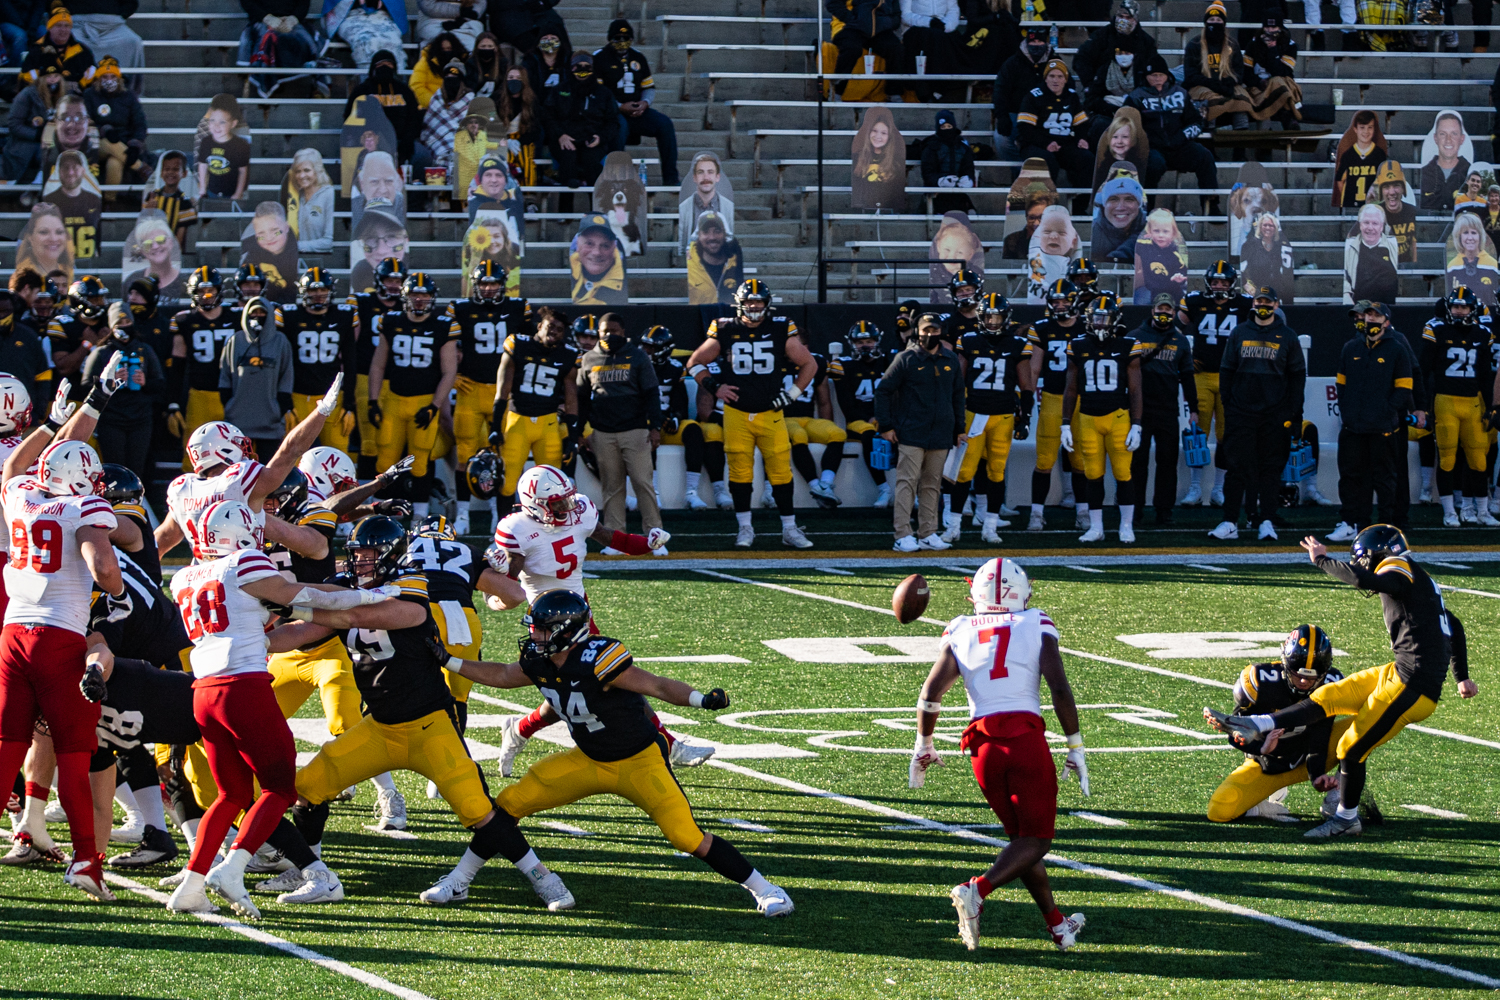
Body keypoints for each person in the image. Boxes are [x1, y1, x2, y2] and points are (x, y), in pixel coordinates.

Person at [437, 588, 789, 914]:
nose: (535, 636)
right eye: (535, 628)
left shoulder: (598, 658)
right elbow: (501, 675)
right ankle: (459, 880)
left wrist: (699, 699)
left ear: (567, 631)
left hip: (638, 761)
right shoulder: (538, 659)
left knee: (686, 836)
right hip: (589, 759)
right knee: (508, 805)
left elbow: (656, 684)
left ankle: (767, 890)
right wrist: (448, 661)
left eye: (543, 630)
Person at [1212, 526, 1476, 839]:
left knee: (1350, 747)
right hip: (1401, 670)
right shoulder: (1423, 580)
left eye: (1364, 560)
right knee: (1329, 695)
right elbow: (1454, 625)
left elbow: (1367, 579)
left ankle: (1346, 819)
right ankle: (1259, 723)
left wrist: (1323, 561)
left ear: (1378, 553)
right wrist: (1462, 676)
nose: (1363, 565)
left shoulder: (1398, 566)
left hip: (1411, 684)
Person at [910, 558, 1088, 952]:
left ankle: (1057, 925)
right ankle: (977, 890)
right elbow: (1059, 688)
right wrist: (1074, 744)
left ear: (971, 592)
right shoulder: (1036, 622)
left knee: (1020, 842)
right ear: (1026, 591)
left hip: (982, 747)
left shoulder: (959, 628)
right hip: (1024, 740)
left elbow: (930, 694)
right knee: (1037, 840)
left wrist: (924, 742)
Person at [684, 281, 817, 549]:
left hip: (771, 411)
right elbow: (694, 363)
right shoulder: (725, 328)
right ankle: (745, 528)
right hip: (736, 412)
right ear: (739, 303)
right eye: (749, 302)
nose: (754, 307)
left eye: (758, 302)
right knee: (739, 472)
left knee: (780, 471)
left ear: (767, 303)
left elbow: (809, 364)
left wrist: (791, 394)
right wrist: (714, 387)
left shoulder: (781, 327)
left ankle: (789, 529)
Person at [1204, 625, 1348, 822]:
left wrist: (1317, 776)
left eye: (1311, 676)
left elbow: (1320, 736)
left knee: (1364, 725)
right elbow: (1236, 732)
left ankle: (1339, 797)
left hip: (1308, 757)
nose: (1304, 682)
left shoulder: (1332, 684)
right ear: (1285, 663)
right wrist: (1261, 747)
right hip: (1268, 762)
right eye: (1298, 675)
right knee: (1220, 810)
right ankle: (1259, 804)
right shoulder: (1261, 682)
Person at [1209, 287, 1305, 542]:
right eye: (1259, 301)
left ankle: (1266, 522)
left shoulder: (1288, 336)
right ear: (1253, 304)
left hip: (1274, 415)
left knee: (1271, 471)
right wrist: (1230, 405)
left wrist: (1292, 412)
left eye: (1268, 301)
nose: (1263, 305)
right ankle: (1230, 522)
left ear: (1276, 304)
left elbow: (1297, 377)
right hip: (1242, 413)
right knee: (1237, 469)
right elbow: (1227, 370)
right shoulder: (1239, 332)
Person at [368, 272, 459, 520]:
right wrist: (373, 400)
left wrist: (434, 406)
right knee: (385, 458)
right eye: (414, 294)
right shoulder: (391, 321)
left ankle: (419, 516)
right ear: (406, 296)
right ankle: (380, 513)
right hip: (394, 400)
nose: (419, 299)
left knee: (419, 460)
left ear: (432, 297)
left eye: (424, 294)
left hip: (424, 401)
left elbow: (449, 371)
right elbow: (377, 365)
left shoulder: (443, 325)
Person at [948, 294, 1034, 545]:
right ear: (981, 317)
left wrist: (1025, 417)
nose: (993, 322)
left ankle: (990, 526)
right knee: (963, 472)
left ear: (1006, 318)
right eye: (988, 316)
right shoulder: (969, 340)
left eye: (997, 317)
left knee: (996, 471)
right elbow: (957, 381)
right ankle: (954, 526)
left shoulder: (1017, 344)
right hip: (973, 413)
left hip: (1003, 415)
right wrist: (956, 416)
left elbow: (1026, 385)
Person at [447, 261, 526, 534]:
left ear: (503, 285)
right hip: (470, 390)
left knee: (502, 455)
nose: (489, 289)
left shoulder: (518, 308)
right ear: (476, 285)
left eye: (493, 284)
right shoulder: (460, 309)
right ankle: (463, 515)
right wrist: (451, 375)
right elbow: (443, 345)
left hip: (503, 393)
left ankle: (499, 514)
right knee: (464, 454)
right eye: (484, 284)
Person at [876, 312, 965, 552]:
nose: (929, 335)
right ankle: (902, 534)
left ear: (941, 331)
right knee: (907, 482)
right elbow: (883, 391)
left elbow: (957, 396)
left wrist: (960, 429)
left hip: (941, 432)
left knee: (933, 484)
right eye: (925, 330)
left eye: (934, 330)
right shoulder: (905, 359)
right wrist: (885, 426)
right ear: (918, 331)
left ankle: (928, 532)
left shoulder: (951, 359)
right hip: (912, 430)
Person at [575, 313, 664, 547]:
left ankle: (655, 536)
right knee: (611, 488)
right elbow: (582, 398)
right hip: (603, 432)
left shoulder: (638, 356)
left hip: (634, 430)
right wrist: (579, 430)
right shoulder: (589, 358)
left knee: (642, 484)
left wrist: (655, 426)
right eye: (604, 331)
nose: (607, 335)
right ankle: (616, 540)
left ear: (622, 332)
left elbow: (652, 393)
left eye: (613, 331)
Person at [1060, 292, 1142, 544]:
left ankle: (1126, 526)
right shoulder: (1078, 345)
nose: (1099, 323)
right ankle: (1096, 527)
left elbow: (1136, 389)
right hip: (1087, 417)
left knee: (1122, 473)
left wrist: (1137, 425)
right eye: (1096, 318)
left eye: (1104, 319)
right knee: (1092, 474)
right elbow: (1071, 388)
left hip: (1118, 416)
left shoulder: (1128, 345)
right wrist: (1065, 423)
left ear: (1115, 320)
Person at [1420, 289, 1497, 527]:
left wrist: (1491, 406)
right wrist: (1425, 405)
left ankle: (1482, 511)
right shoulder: (1437, 329)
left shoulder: (1483, 333)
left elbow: (1485, 375)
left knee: (1478, 459)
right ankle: (1450, 512)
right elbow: (1425, 370)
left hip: (1473, 402)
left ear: (1472, 309)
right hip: (1445, 401)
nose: (1459, 311)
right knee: (1447, 460)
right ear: (1448, 308)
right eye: (1455, 306)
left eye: (1464, 307)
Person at [1179, 261, 1251, 507]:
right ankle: (1195, 488)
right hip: (1200, 375)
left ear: (1232, 284)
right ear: (1208, 282)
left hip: (1230, 377)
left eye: (1224, 282)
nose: (1219, 286)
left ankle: (1219, 489)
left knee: (1225, 435)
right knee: (1198, 434)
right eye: (1216, 281)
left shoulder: (1244, 304)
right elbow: (1178, 320)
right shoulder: (1195, 301)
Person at [493, 306, 577, 507]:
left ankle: (549, 532)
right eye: (551, 326)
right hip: (518, 420)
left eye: (559, 329)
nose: (554, 331)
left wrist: (572, 438)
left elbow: (572, 399)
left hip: (547, 424)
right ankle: (502, 531)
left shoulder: (568, 355)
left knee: (553, 484)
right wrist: (496, 425)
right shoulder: (518, 345)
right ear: (539, 326)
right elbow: (502, 389)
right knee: (508, 481)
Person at [1130, 293, 1198, 525]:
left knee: (1167, 461)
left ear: (1173, 312)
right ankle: (1135, 509)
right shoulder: (1134, 337)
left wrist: (1194, 409)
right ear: (1152, 310)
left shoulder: (1181, 341)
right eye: (1160, 309)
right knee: (1137, 462)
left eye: (1169, 310)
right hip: (1139, 411)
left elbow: (1188, 377)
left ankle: (1164, 510)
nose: (1164, 313)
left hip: (1168, 409)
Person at [78, 301, 163, 485]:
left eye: (126, 321)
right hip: (111, 418)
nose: (124, 326)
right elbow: (84, 385)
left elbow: (161, 384)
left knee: (137, 468)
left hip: (140, 419)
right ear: (111, 326)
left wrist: (144, 382)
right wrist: (107, 380)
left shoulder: (145, 349)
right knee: (114, 467)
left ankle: (137, 506)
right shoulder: (102, 352)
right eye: (118, 323)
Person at [1126, 55, 1218, 214]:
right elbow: (1127, 127)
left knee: (1205, 156)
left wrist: (1183, 136)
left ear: (1167, 75)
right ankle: (1146, 210)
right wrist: (1146, 142)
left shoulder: (1180, 93)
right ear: (1145, 77)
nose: (1157, 79)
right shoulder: (1135, 97)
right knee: (1153, 165)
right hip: (1152, 149)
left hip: (1180, 145)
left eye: (1161, 75)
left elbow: (1197, 122)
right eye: (1153, 75)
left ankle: (1211, 207)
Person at [280, 268, 357, 452]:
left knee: (336, 453)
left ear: (330, 291)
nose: (318, 295)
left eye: (322, 290)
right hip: (299, 395)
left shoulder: (343, 315)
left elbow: (350, 360)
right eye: (312, 290)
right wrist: (285, 403)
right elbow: (282, 363)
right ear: (303, 292)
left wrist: (348, 403)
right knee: (292, 455)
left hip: (333, 396)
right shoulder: (289, 316)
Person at [1025, 280, 1082, 529]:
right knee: (1044, 460)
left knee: (1081, 460)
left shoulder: (1087, 327)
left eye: (1064, 302)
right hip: (1051, 398)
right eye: (1055, 302)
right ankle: (1036, 514)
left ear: (1074, 302)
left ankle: (1084, 512)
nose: (1060, 306)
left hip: (1081, 401)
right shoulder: (1041, 328)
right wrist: (1026, 398)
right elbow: (1034, 368)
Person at [594, 20, 678, 186]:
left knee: (665, 124)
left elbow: (649, 87)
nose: (622, 41)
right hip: (611, 113)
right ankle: (615, 178)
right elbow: (597, 93)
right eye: (617, 38)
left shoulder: (638, 57)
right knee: (620, 127)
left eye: (626, 37)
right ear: (610, 39)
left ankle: (671, 178)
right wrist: (618, 106)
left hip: (637, 111)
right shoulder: (599, 58)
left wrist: (645, 103)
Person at [218, 297, 295, 460]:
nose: (257, 316)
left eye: (262, 312)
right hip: (238, 422)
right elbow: (225, 375)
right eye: (254, 312)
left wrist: (279, 408)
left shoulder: (280, 341)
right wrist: (229, 405)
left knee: (269, 470)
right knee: (238, 471)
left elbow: (286, 375)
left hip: (270, 422)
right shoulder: (235, 340)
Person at [828, 321, 892, 507]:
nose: (865, 345)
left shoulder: (888, 362)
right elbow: (847, 405)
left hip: (885, 417)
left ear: (877, 341)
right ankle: (884, 489)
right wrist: (871, 418)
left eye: (869, 341)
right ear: (852, 344)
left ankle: (914, 492)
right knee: (869, 434)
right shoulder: (843, 366)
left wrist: (884, 417)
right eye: (860, 342)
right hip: (858, 420)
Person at [1075, 0, 1158, 142]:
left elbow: (1154, 69)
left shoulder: (1146, 42)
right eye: (1121, 16)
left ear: (1136, 20)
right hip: (1103, 98)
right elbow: (1081, 59)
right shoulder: (1101, 36)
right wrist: (1091, 83)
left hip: (1137, 100)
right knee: (1100, 127)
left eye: (1128, 18)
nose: (1124, 21)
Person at [544, 52, 618, 189]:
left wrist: (600, 138)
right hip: (565, 139)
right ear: (571, 68)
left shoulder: (604, 93)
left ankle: (596, 207)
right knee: (568, 162)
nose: (582, 69)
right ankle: (565, 207)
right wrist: (560, 135)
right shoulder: (558, 90)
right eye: (578, 66)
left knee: (592, 164)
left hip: (592, 140)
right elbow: (549, 117)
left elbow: (613, 122)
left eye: (586, 66)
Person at [1017, 60, 1092, 191]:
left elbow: (1081, 123)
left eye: (1060, 76)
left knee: (1087, 159)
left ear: (1065, 79)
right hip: (1036, 145)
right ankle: (1043, 204)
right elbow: (1025, 128)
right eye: (1051, 76)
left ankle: (1079, 206)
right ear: (1045, 78)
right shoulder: (1033, 97)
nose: (1055, 80)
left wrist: (1082, 138)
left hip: (1063, 144)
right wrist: (1046, 143)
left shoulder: (1071, 96)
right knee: (1047, 162)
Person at [343, 51, 423, 165]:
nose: (385, 67)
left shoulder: (404, 91)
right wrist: (363, 136)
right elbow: (349, 117)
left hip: (401, 141)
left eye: (389, 64)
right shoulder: (362, 91)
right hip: (369, 140)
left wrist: (407, 139)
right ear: (374, 67)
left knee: (422, 155)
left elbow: (414, 118)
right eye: (381, 64)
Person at [994, 25, 1062, 158]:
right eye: (1032, 42)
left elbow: (1066, 88)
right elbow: (1000, 90)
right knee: (1001, 140)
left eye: (1039, 42)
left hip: (1047, 115)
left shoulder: (1056, 62)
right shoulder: (1012, 63)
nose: (1036, 45)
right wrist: (1002, 116)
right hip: (1017, 114)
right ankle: (1019, 171)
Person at [1183, 2, 1253, 129]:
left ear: (1224, 23)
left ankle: (1240, 140)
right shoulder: (1194, 44)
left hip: (1226, 83)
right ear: (1206, 22)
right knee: (1211, 99)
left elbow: (1239, 72)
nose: (1215, 23)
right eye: (1211, 19)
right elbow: (1190, 75)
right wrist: (1211, 83)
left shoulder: (1232, 44)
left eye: (1218, 20)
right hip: (1201, 85)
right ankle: (1209, 139)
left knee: (1241, 97)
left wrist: (1229, 82)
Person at [236, 0, 324, 98]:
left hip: (293, 24)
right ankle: (268, 81)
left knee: (304, 41)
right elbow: (247, 3)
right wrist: (267, 18)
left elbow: (303, 4)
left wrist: (293, 19)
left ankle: (315, 82)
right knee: (267, 41)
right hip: (262, 22)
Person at [83, 57, 148, 185]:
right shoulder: (89, 95)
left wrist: (135, 145)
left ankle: (110, 200)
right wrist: (104, 130)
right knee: (109, 143)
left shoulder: (129, 96)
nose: (109, 81)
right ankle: (141, 168)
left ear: (119, 79)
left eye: (112, 77)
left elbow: (140, 123)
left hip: (123, 143)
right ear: (98, 79)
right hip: (97, 143)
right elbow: (86, 121)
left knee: (115, 162)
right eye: (104, 77)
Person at [825, 0, 902, 99]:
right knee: (852, 48)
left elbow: (896, 13)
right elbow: (832, 4)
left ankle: (893, 93)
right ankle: (836, 92)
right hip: (847, 26)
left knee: (896, 49)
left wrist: (890, 22)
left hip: (878, 28)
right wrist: (854, 19)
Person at [3, 60, 65, 182]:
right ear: (41, 78)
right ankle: (33, 184)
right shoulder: (27, 95)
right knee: (46, 150)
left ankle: (44, 185)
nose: (53, 80)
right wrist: (37, 135)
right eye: (48, 77)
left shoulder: (65, 96)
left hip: (56, 140)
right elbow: (14, 124)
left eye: (56, 76)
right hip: (28, 142)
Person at [1241, 11, 1301, 127]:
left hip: (1282, 86)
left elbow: (1283, 72)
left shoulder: (1290, 46)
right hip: (1259, 88)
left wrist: (1272, 49)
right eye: (1267, 27)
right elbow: (1246, 73)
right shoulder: (1253, 44)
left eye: (1274, 27)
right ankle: (1289, 117)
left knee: (1278, 81)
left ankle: (1288, 122)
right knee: (1273, 88)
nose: (1270, 31)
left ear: (1280, 28)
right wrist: (1259, 82)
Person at [416, 58, 473, 173]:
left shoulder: (471, 101)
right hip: (437, 145)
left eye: (455, 78)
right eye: (448, 77)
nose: (451, 81)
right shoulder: (436, 100)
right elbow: (430, 127)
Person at [323, 0, 407, 72]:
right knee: (364, 42)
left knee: (393, 41)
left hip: (382, 16)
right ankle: (368, 84)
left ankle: (394, 84)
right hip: (351, 16)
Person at [20, 9, 96, 88]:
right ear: (50, 28)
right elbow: (26, 76)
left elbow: (93, 72)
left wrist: (80, 85)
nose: (63, 30)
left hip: (74, 96)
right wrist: (53, 85)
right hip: (44, 95)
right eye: (58, 25)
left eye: (66, 26)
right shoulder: (37, 50)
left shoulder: (82, 50)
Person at [899, 0, 957, 102]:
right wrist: (928, 22)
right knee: (931, 38)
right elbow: (905, 15)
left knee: (951, 40)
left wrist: (945, 26)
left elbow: (953, 11)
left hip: (942, 28)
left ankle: (944, 87)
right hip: (916, 28)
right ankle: (927, 89)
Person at [1344, 203, 1400, 307]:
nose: (1370, 228)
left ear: (1381, 227)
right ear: (1360, 225)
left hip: (1387, 308)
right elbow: (1345, 278)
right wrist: (1347, 299)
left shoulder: (1393, 244)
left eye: (1375, 223)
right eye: (1366, 222)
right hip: (1358, 307)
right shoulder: (1350, 246)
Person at [196, 98, 250, 203]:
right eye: (212, 120)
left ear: (233, 124)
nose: (216, 126)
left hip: (231, 193)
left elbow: (243, 171)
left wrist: (238, 193)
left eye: (222, 122)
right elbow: (202, 165)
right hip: (211, 191)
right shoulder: (206, 142)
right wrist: (202, 188)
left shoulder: (240, 145)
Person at [143, 151, 198, 249]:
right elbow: (143, 225)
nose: (170, 172)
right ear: (161, 173)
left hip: (170, 251)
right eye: (167, 169)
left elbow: (180, 235)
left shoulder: (184, 202)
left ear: (184, 174)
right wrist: (148, 211)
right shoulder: (152, 196)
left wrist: (172, 252)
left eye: (175, 169)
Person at [1132, 208, 1188, 305]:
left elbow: (1182, 270)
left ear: (1173, 233)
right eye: (1156, 231)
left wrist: (1179, 277)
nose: (1161, 235)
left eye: (1165, 231)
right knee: (1142, 305)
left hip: (1171, 291)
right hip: (1151, 289)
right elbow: (1132, 244)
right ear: (1150, 231)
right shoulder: (1144, 246)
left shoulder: (1175, 254)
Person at [1419, 111, 1470, 211]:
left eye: (1454, 134)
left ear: (1462, 139)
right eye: (1443, 134)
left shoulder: (1471, 174)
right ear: (1435, 138)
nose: (1448, 140)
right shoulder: (1423, 173)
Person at [1091, 169, 1145, 261]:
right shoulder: (1093, 233)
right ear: (1104, 205)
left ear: (1139, 205)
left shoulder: (1153, 229)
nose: (1121, 207)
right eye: (1114, 199)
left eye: (1129, 199)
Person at [1446, 213, 1500, 306]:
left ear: (1480, 236)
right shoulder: (1452, 266)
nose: (1470, 238)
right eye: (1466, 233)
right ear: (1459, 237)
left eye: (1474, 233)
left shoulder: (1492, 265)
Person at [1334, 110, 1385, 208]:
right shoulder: (1348, 155)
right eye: (1362, 127)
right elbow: (1339, 180)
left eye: (1370, 127)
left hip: (1373, 204)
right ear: (1355, 129)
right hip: (1350, 203)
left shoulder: (1379, 154)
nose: (1366, 131)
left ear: (1374, 129)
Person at [410, 31, 464, 109]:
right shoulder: (425, 63)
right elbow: (417, 86)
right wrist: (434, 103)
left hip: (459, 109)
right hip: (430, 109)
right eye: (443, 49)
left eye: (449, 49)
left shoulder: (463, 63)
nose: (446, 52)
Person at [490, 0, 564, 54]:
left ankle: (562, 66)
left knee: (555, 27)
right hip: (510, 17)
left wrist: (542, 3)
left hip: (540, 11)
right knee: (530, 44)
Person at [416, 0, 484, 47]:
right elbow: (427, 5)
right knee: (438, 38)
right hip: (433, 19)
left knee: (473, 39)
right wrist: (459, 11)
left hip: (464, 19)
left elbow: (480, 3)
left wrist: (465, 18)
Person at [1004, 196, 1050, 260]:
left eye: (1041, 217)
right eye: (1031, 218)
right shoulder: (1011, 241)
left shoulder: (1058, 240)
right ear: (1026, 217)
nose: (1036, 223)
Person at [464, 31, 504, 97]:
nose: (486, 49)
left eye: (490, 46)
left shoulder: (502, 63)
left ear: (496, 48)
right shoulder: (470, 64)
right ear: (477, 47)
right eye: (483, 46)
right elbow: (469, 87)